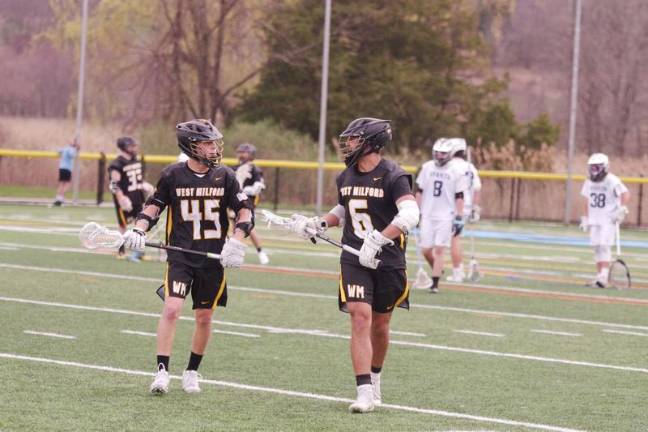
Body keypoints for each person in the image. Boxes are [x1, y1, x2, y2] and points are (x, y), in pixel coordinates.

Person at [289, 118, 419, 413]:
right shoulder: (346, 176)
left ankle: (374, 376)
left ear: (371, 142)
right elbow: (344, 209)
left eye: (353, 140)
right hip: (353, 258)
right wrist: (320, 223)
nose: (347, 145)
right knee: (360, 317)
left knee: (381, 326)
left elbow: (411, 213)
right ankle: (362, 390)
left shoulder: (394, 175)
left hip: (388, 260)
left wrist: (380, 239)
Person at [122, 119, 253, 394]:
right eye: (207, 143)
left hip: (213, 257)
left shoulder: (225, 176)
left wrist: (237, 241)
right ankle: (161, 371)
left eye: (214, 142)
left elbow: (244, 210)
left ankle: (192, 370)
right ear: (191, 146)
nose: (213, 148)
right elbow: (153, 206)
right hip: (180, 254)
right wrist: (138, 228)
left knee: (204, 316)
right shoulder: (172, 175)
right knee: (171, 309)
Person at [415, 138, 468, 293]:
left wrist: (459, 217)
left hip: (446, 215)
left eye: (443, 153)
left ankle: (435, 283)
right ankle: (438, 269)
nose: (439, 156)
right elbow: (420, 191)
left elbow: (460, 196)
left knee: (439, 250)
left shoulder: (456, 171)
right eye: (437, 152)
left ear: (450, 154)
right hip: (427, 214)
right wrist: (415, 211)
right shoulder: (427, 167)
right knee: (426, 249)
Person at [579, 153, 630, 288]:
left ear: (604, 167)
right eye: (592, 167)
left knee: (604, 246)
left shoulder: (612, 180)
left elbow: (625, 193)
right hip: (594, 218)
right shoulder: (589, 181)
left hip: (608, 218)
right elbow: (586, 199)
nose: (593, 170)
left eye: (596, 167)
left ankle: (603, 277)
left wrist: (622, 209)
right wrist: (585, 217)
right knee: (596, 247)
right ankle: (600, 277)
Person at [108, 136, 152, 261]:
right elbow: (114, 184)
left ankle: (139, 251)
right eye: (131, 146)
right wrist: (121, 198)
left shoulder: (135, 160)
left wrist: (143, 185)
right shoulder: (116, 164)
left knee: (140, 223)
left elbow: (136, 179)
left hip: (137, 196)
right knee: (123, 225)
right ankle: (120, 250)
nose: (134, 148)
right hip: (126, 199)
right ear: (124, 147)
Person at [446, 139, 482, 283]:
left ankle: (457, 272)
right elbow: (477, 189)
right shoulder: (470, 166)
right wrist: (474, 208)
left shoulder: (450, 166)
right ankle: (457, 270)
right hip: (466, 207)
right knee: (456, 238)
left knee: (454, 239)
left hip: (454, 206)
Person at [234, 142, 269, 265]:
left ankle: (260, 252)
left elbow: (258, 187)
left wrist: (243, 190)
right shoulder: (234, 168)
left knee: (247, 226)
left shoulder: (255, 170)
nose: (242, 154)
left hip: (248, 202)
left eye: (245, 152)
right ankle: (233, 250)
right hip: (234, 201)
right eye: (240, 152)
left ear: (251, 154)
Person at [53, 139, 80, 206]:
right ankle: (61, 197)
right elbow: (71, 155)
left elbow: (59, 151)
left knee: (62, 183)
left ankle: (58, 197)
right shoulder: (71, 149)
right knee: (67, 184)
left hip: (61, 167)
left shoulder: (65, 148)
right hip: (67, 168)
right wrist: (76, 150)